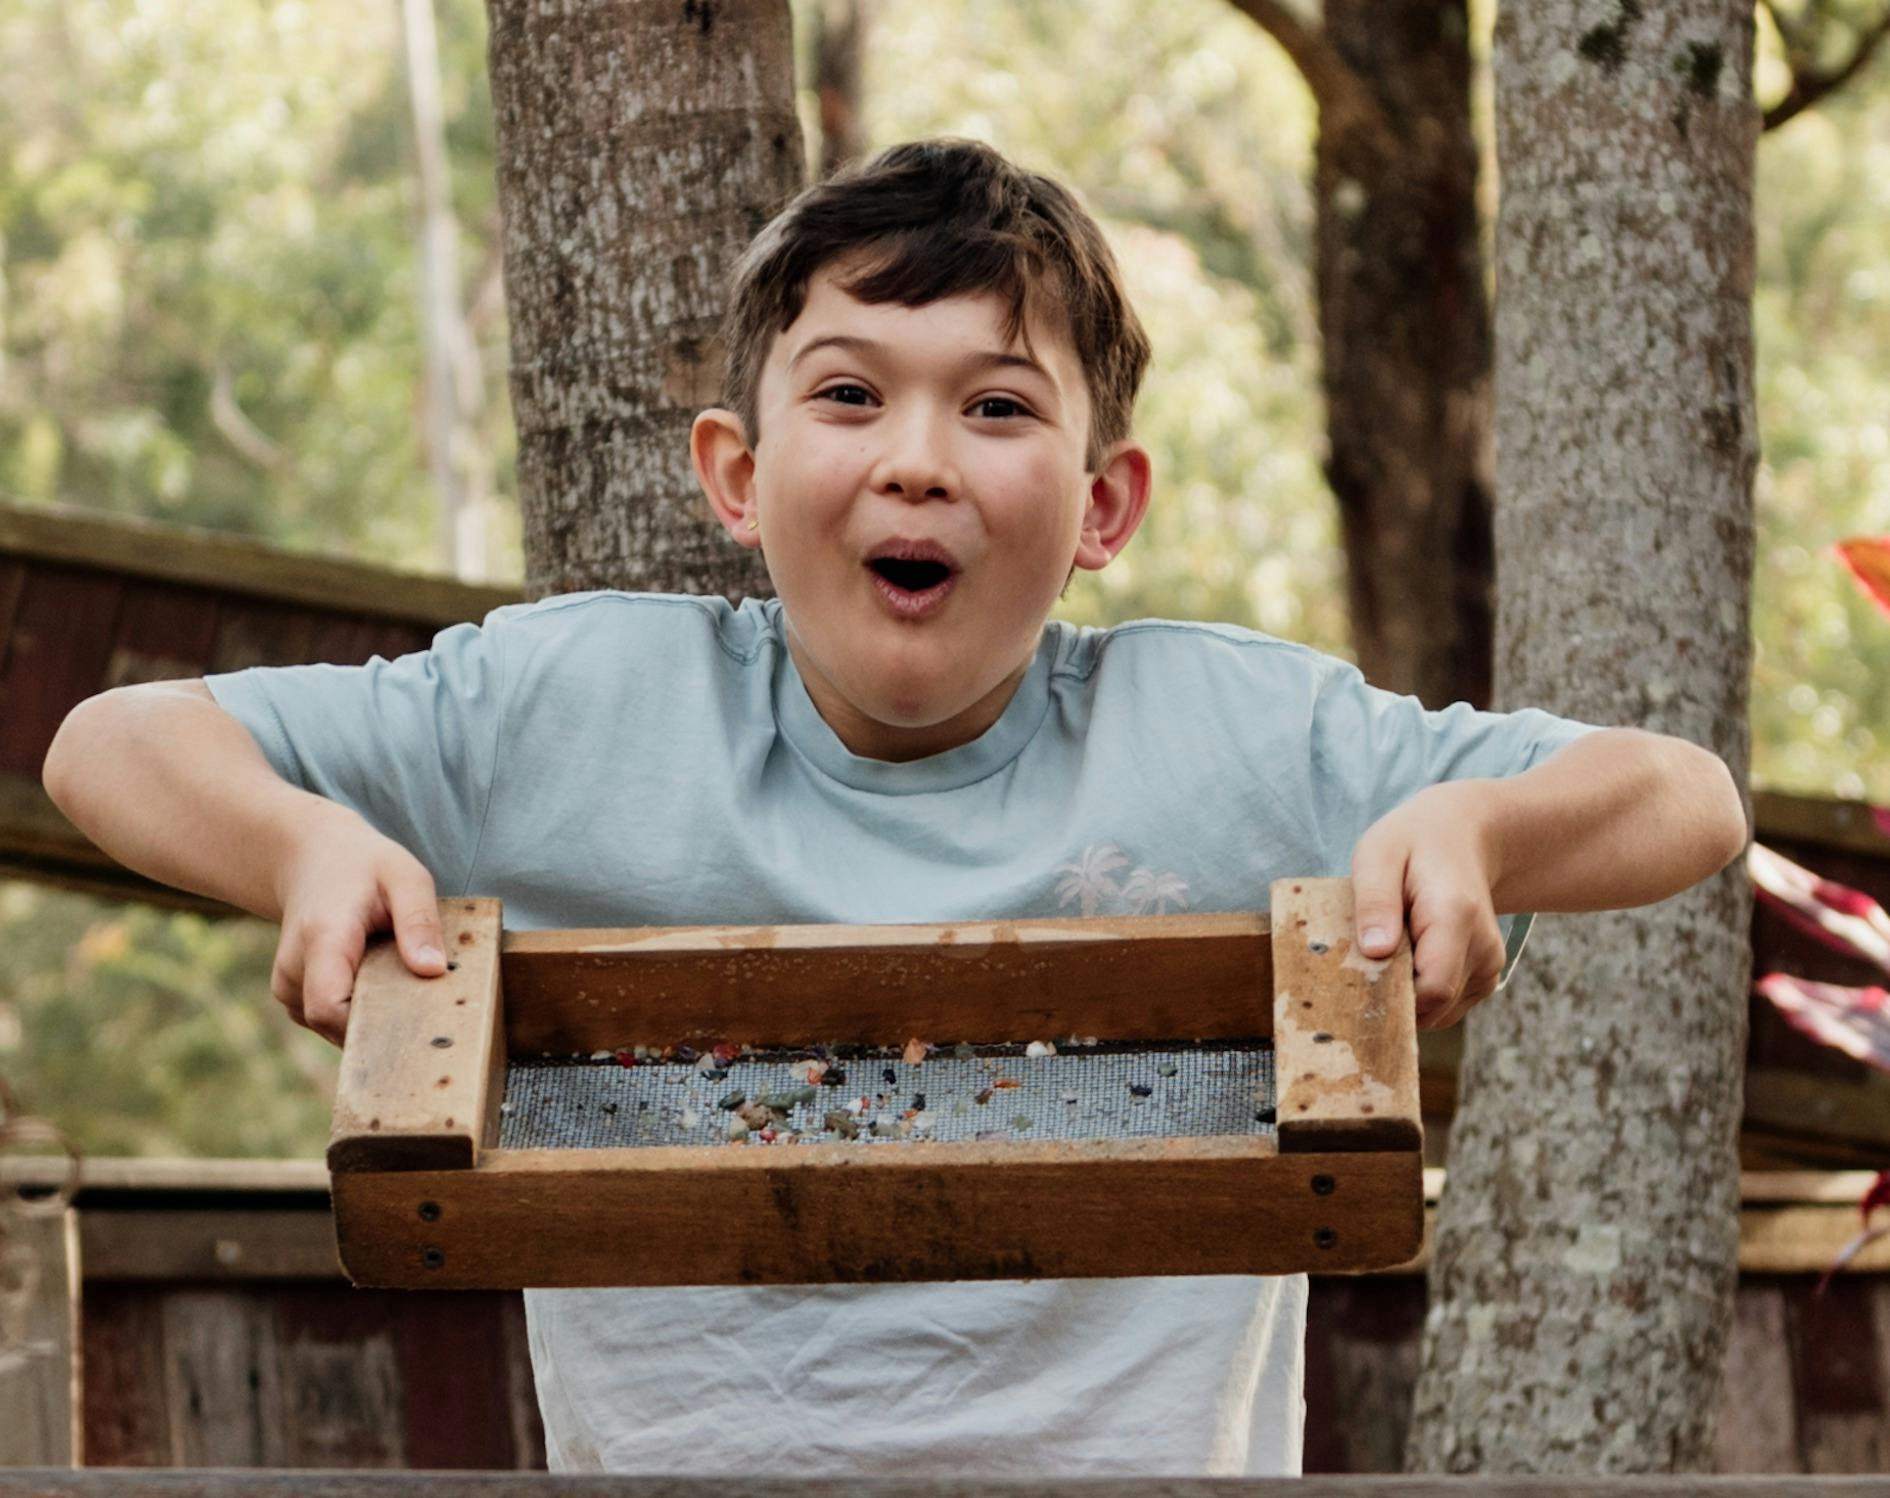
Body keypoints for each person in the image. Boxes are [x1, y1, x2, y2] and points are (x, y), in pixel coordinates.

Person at [42, 137, 1748, 1477]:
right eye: (850, 393)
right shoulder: (573, 708)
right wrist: (309, 840)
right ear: (737, 474)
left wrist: (1476, 827)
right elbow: (109, 743)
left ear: (1102, 506)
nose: (916, 456)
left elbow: (1683, 794)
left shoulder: (1228, 732)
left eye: (995, 406)